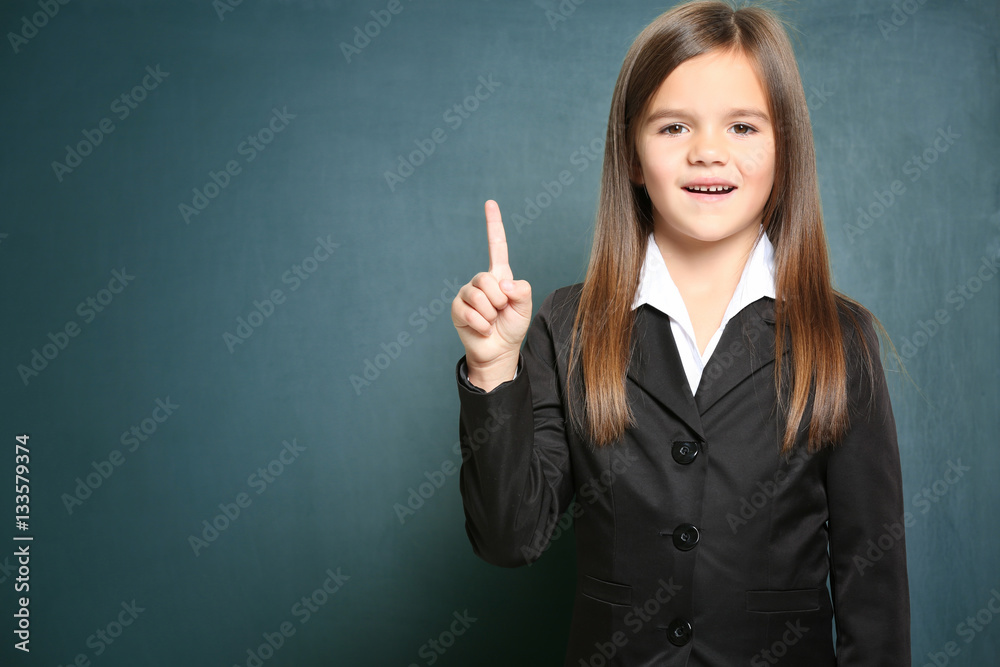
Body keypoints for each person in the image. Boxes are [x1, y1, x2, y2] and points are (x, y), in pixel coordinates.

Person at [449, 1, 910, 664]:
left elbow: (875, 594)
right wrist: (494, 370)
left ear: (784, 148)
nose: (707, 152)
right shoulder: (565, 324)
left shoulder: (841, 338)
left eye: (743, 126)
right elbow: (508, 537)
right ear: (633, 155)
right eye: (673, 127)